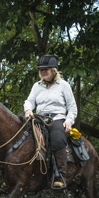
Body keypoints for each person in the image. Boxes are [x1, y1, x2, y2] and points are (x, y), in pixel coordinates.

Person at [24, 54, 77, 188]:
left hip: (57, 118)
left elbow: (72, 106)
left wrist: (69, 120)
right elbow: (29, 101)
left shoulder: (63, 85)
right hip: (39, 118)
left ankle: (60, 175)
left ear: (53, 71)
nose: (43, 72)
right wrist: (28, 110)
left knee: (58, 138)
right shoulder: (37, 86)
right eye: (41, 70)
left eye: (46, 69)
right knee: (21, 135)